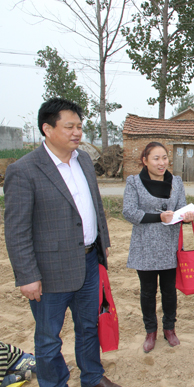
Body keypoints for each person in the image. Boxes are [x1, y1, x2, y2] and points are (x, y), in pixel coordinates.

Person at [4, 98, 121, 387]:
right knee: (48, 338)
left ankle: (92, 378)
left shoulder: (83, 160)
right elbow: (16, 231)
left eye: (79, 126)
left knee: (88, 327)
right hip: (49, 271)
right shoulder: (24, 170)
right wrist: (28, 276)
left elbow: (94, 205)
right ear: (47, 128)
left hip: (88, 262)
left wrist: (101, 242)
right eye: (69, 126)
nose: (77, 133)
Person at [122, 142, 194, 353]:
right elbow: (129, 211)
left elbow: (181, 208)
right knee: (147, 291)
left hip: (169, 245)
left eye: (164, 158)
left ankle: (169, 328)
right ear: (145, 161)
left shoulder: (176, 182)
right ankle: (150, 331)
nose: (161, 162)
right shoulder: (134, 182)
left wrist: (187, 217)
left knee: (169, 290)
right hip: (145, 245)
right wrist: (158, 217)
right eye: (156, 158)